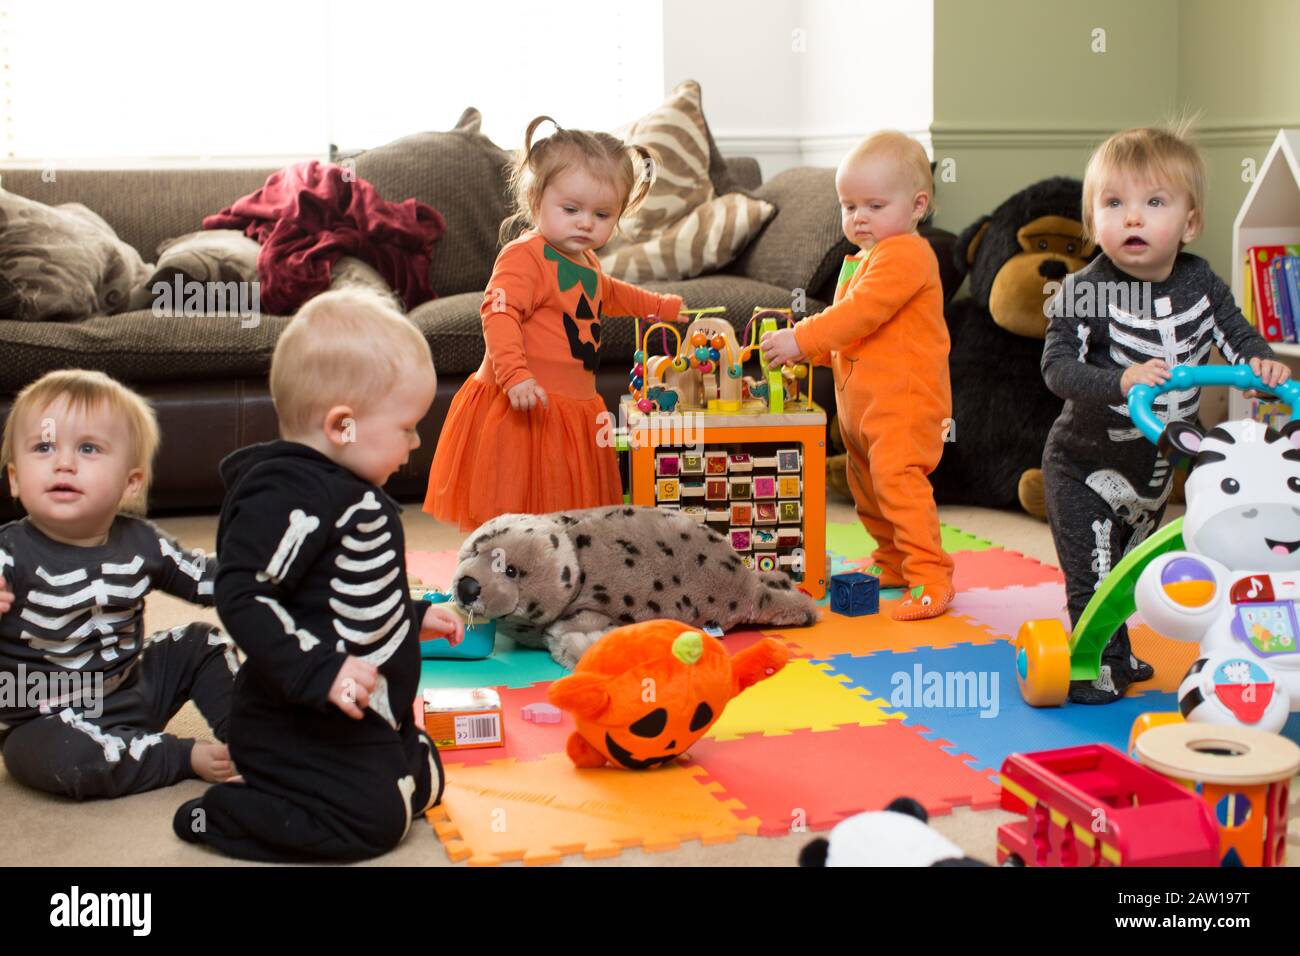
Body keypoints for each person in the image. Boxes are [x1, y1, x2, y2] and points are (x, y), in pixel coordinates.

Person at [174, 288, 464, 861]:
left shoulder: (354, 491)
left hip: (371, 714)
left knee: (428, 779)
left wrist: (413, 615)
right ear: (343, 426)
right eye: (407, 426)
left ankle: (369, 769)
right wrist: (320, 670)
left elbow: (334, 598)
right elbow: (244, 593)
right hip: (304, 726)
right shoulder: (287, 495)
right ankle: (226, 813)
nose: (415, 441)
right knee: (376, 825)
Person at [1041, 124, 1291, 702]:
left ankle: (1120, 650)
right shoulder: (1084, 290)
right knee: (1095, 573)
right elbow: (1056, 370)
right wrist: (1120, 378)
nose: (1132, 218)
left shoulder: (1200, 281)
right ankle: (1088, 666)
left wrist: (1264, 365)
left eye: (1154, 203)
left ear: (1190, 222)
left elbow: (1238, 339)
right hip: (1084, 466)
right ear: (1093, 220)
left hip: (1159, 470)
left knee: (1133, 569)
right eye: (1113, 204)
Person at [425, 115, 684, 530]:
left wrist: (661, 307)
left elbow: (610, 293)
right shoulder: (525, 256)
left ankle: (554, 574)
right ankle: (500, 572)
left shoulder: (586, 260)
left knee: (566, 514)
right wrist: (515, 375)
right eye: (570, 209)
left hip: (573, 408)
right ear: (535, 200)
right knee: (513, 511)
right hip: (524, 403)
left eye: (602, 214)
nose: (585, 222)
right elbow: (499, 311)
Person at [0, 369, 237, 798]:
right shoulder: (8, 553)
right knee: (68, 761)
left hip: (135, 688)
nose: (64, 462)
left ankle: (258, 737)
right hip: (45, 719)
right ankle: (176, 756)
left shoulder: (142, 542)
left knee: (204, 644)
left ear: (130, 484)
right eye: (43, 447)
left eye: (88, 448)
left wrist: (275, 572)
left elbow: (209, 580)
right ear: (15, 479)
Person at [762, 131, 954, 620]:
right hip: (862, 410)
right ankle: (892, 560)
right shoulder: (862, 259)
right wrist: (816, 356)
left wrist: (802, 338)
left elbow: (859, 315)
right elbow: (856, 338)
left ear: (917, 206)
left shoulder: (906, 254)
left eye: (873, 204)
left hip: (903, 405)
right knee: (866, 485)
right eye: (849, 206)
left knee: (898, 484)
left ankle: (930, 573)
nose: (858, 217)